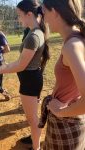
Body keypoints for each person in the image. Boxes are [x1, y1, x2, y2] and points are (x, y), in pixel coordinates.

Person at [0, 0, 50, 149]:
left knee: (32, 120)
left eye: (19, 15)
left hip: (30, 82)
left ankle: (36, 147)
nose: (18, 19)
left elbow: (21, 65)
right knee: (33, 119)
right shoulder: (36, 32)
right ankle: (36, 143)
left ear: (29, 14)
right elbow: (23, 62)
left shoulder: (34, 35)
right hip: (31, 80)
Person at [41, 0, 85, 149]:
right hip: (72, 122)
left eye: (45, 12)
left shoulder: (72, 46)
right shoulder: (79, 38)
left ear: (54, 12)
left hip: (66, 124)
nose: (44, 18)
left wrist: (61, 112)